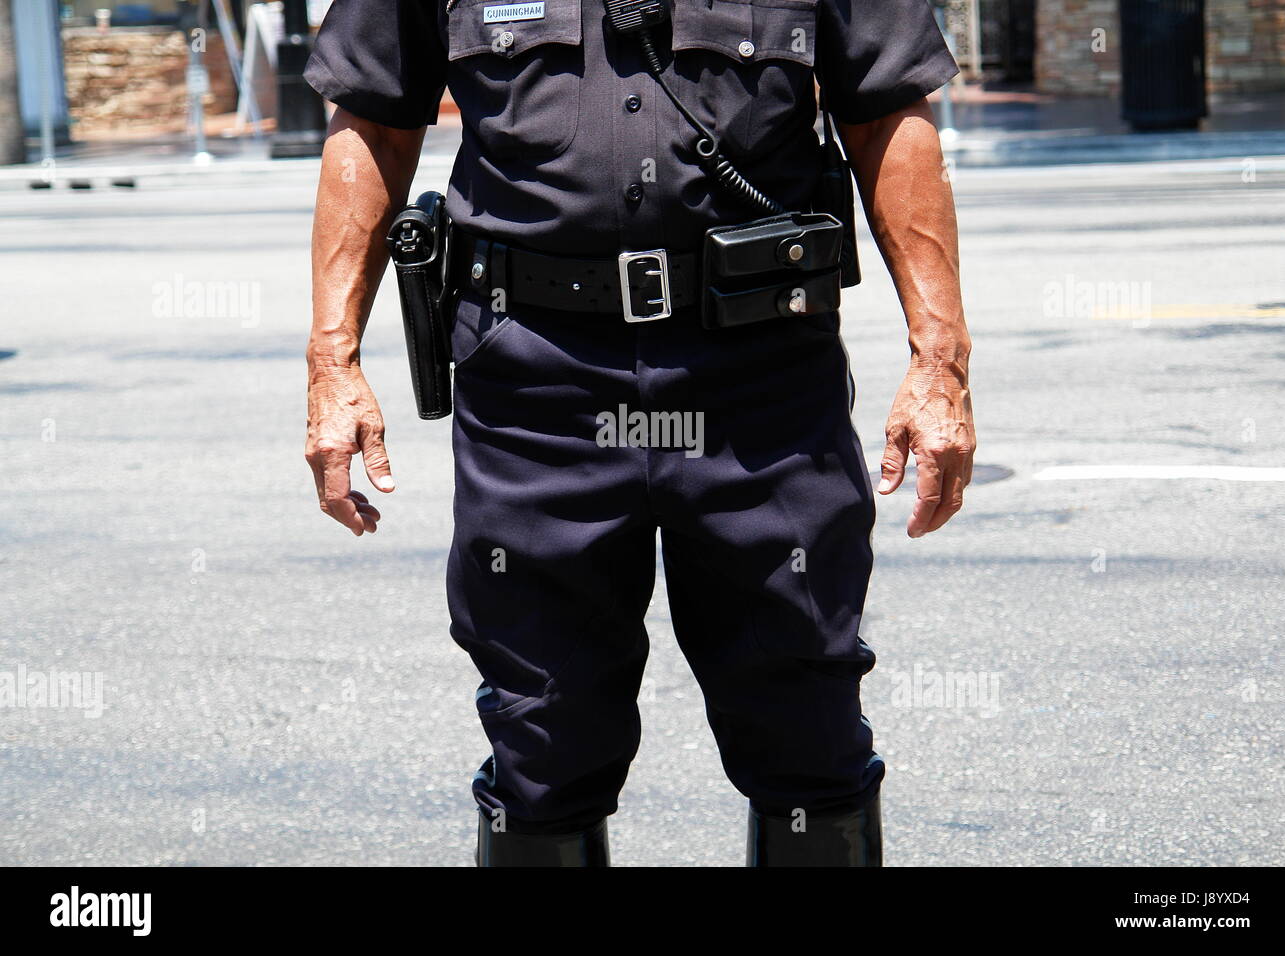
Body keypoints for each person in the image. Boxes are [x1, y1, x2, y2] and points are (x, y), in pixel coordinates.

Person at [303, 0, 975, 866]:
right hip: (536, 387)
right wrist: (333, 363)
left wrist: (940, 360)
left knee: (807, 717)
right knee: (542, 732)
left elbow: (887, 114)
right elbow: (374, 124)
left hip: (759, 377)